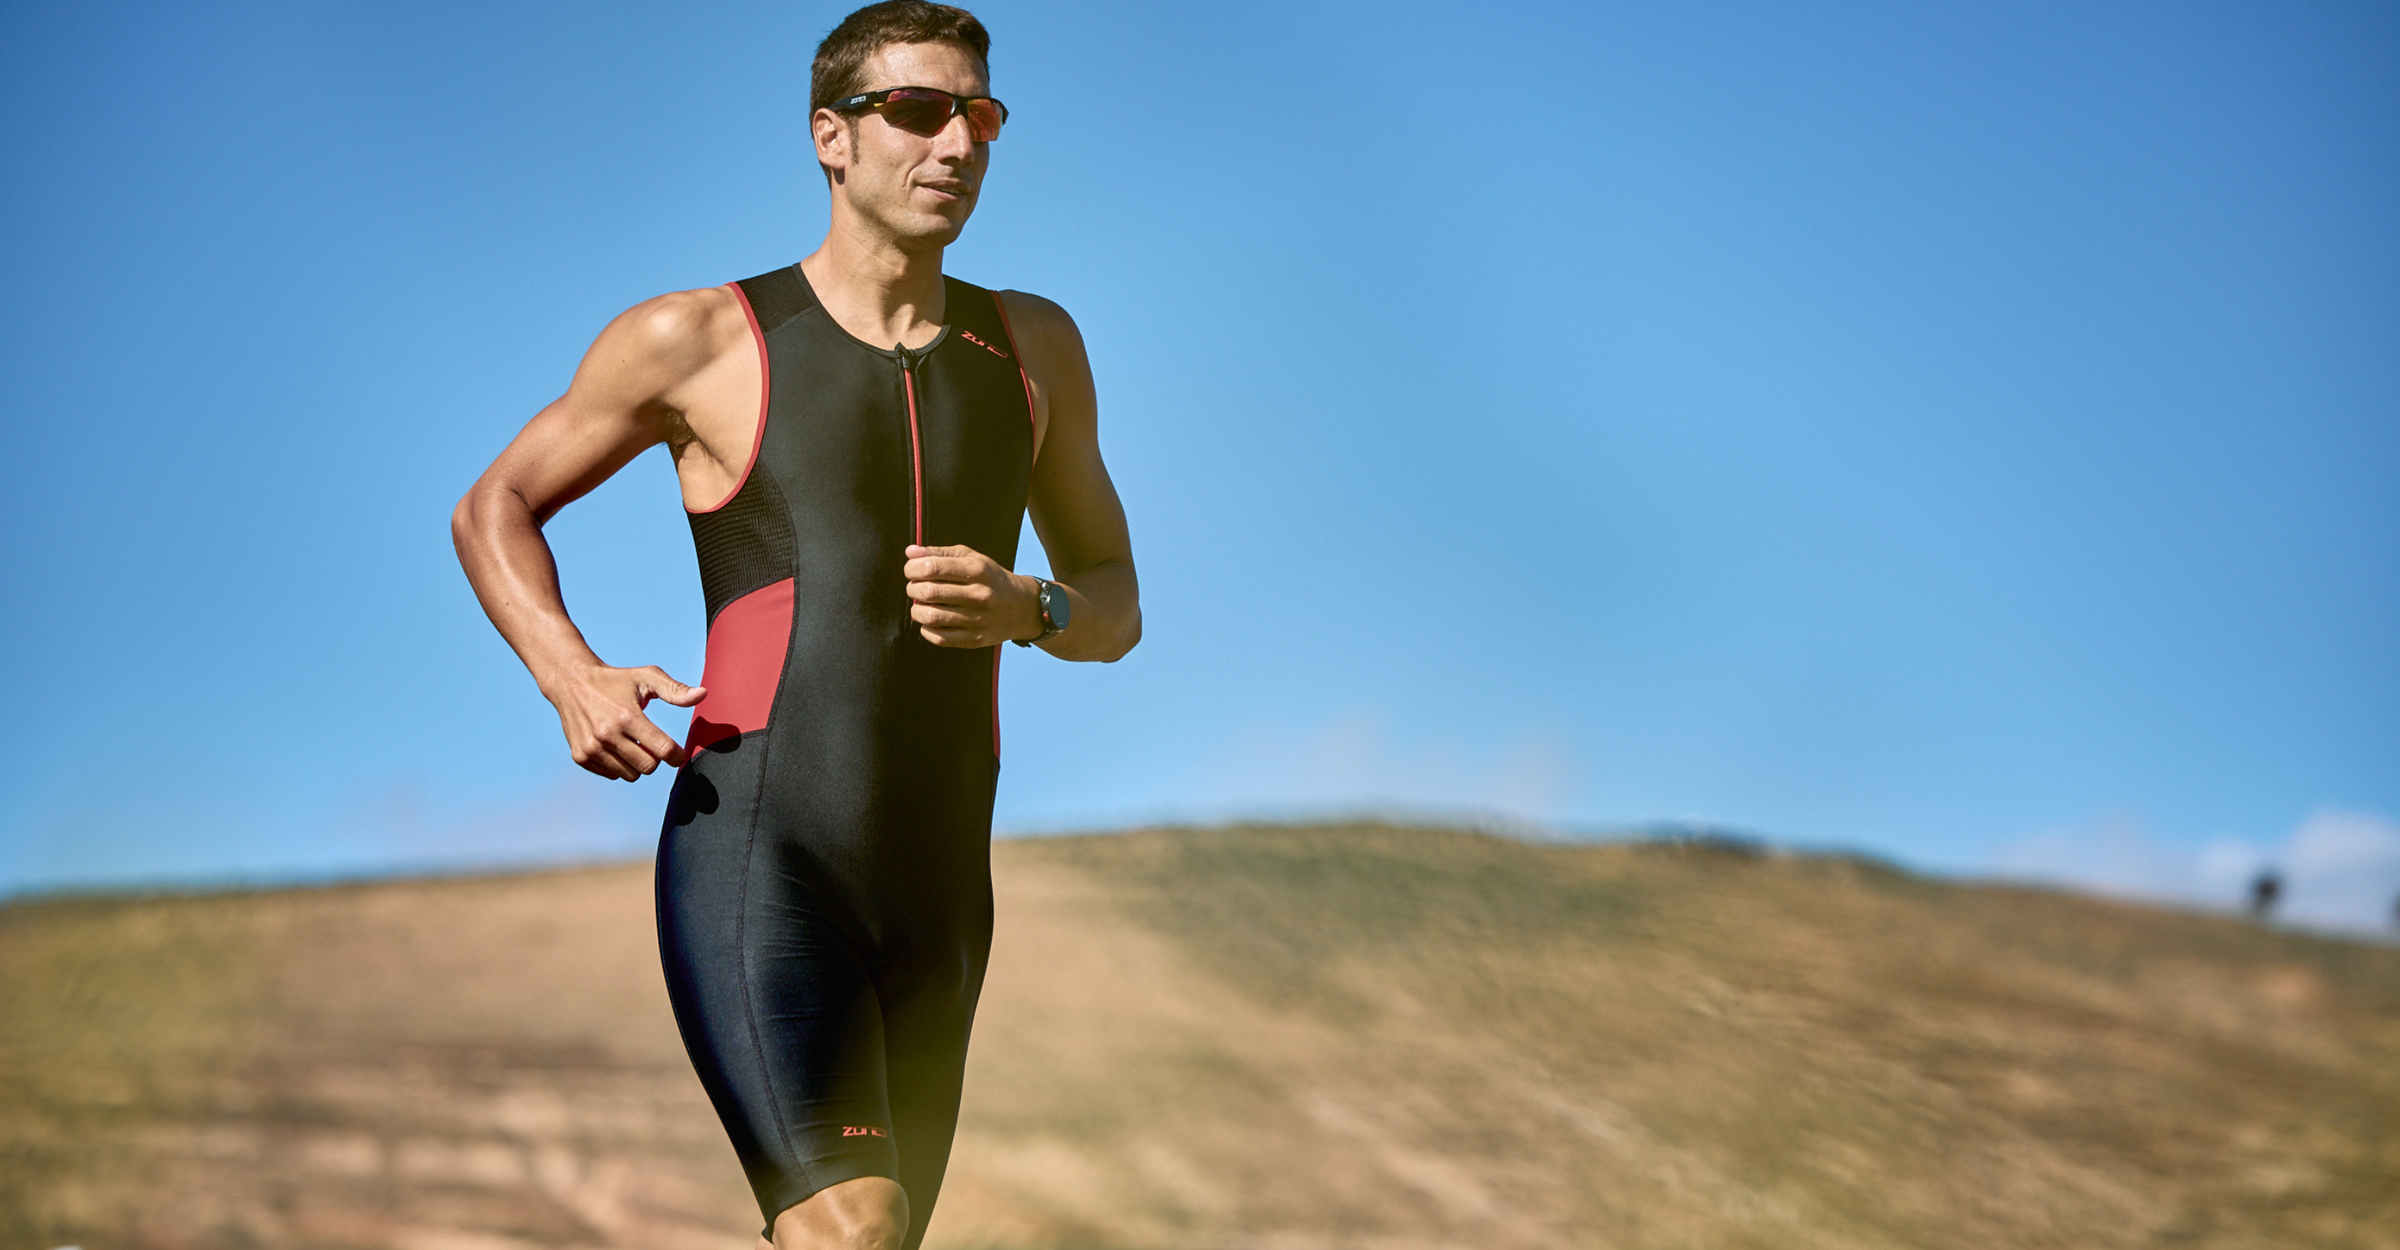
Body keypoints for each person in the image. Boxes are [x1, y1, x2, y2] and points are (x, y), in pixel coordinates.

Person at [450, 4, 1139, 1246]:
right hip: (763, 856)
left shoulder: (1033, 348)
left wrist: (1031, 605)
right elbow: (494, 505)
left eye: (979, 114)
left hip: (942, 884)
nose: (957, 144)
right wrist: (573, 674)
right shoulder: (701, 339)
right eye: (918, 112)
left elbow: (1115, 602)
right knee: (851, 1227)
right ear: (832, 136)